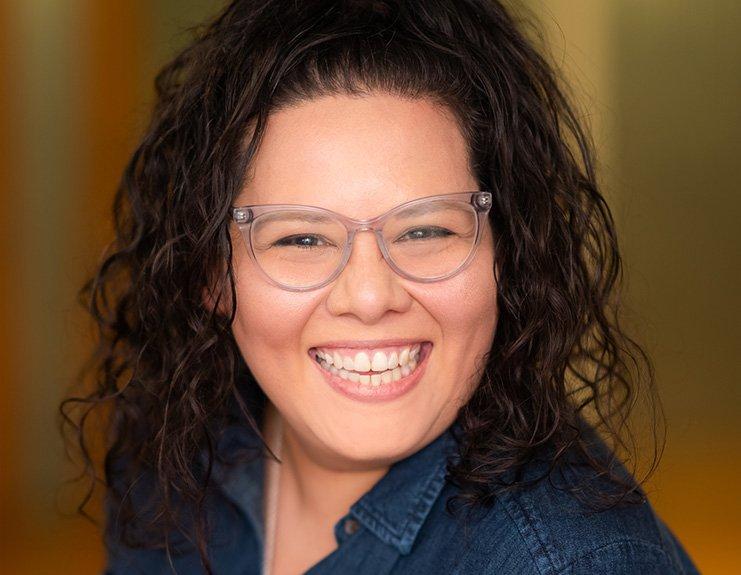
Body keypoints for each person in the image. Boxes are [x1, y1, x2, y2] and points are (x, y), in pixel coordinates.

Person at [61, 1, 698, 573]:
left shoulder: (564, 561)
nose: (369, 297)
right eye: (301, 240)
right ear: (209, 274)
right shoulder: (178, 454)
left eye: (425, 231)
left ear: (510, 254)